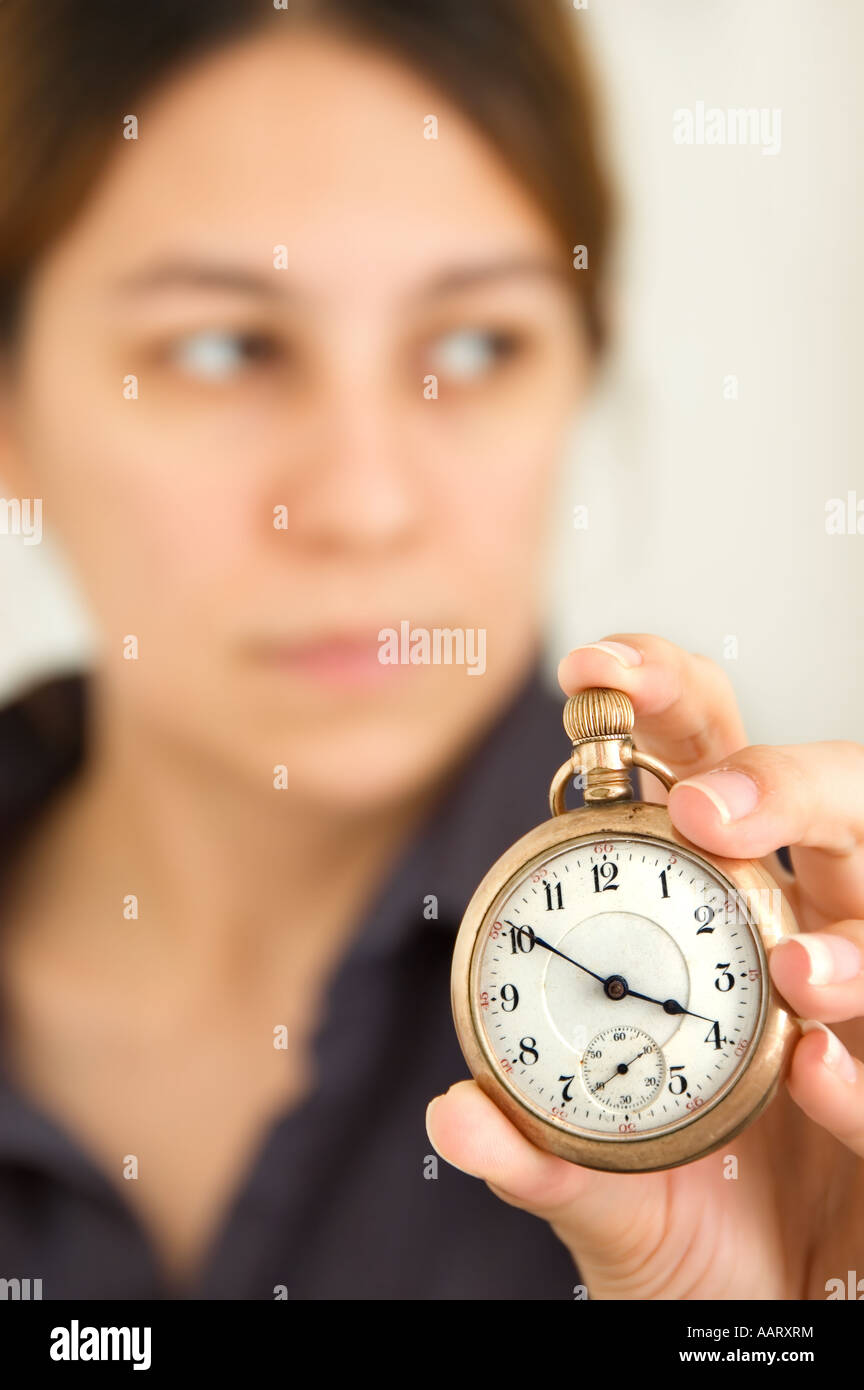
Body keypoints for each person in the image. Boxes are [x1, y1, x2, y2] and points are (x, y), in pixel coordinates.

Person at [0, 0, 860, 1302]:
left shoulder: (803, 1045)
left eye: (473, 345)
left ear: (581, 368)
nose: (362, 501)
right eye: (224, 347)